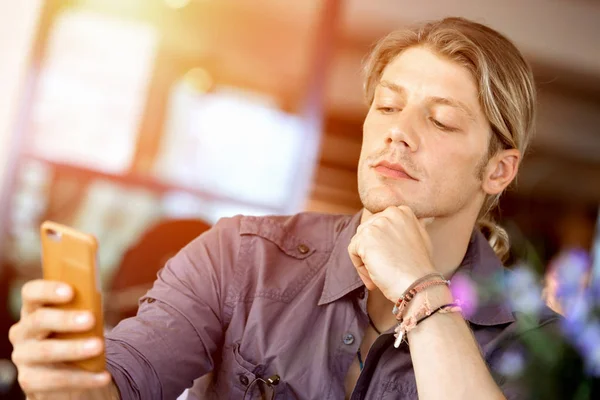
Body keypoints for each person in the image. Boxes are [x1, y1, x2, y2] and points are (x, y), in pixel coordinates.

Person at [9, 17, 561, 399]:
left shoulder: (543, 349)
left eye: (439, 120)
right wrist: (70, 383)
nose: (399, 132)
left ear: (498, 170)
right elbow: (122, 383)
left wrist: (422, 289)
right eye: (388, 106)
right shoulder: (239, 257)